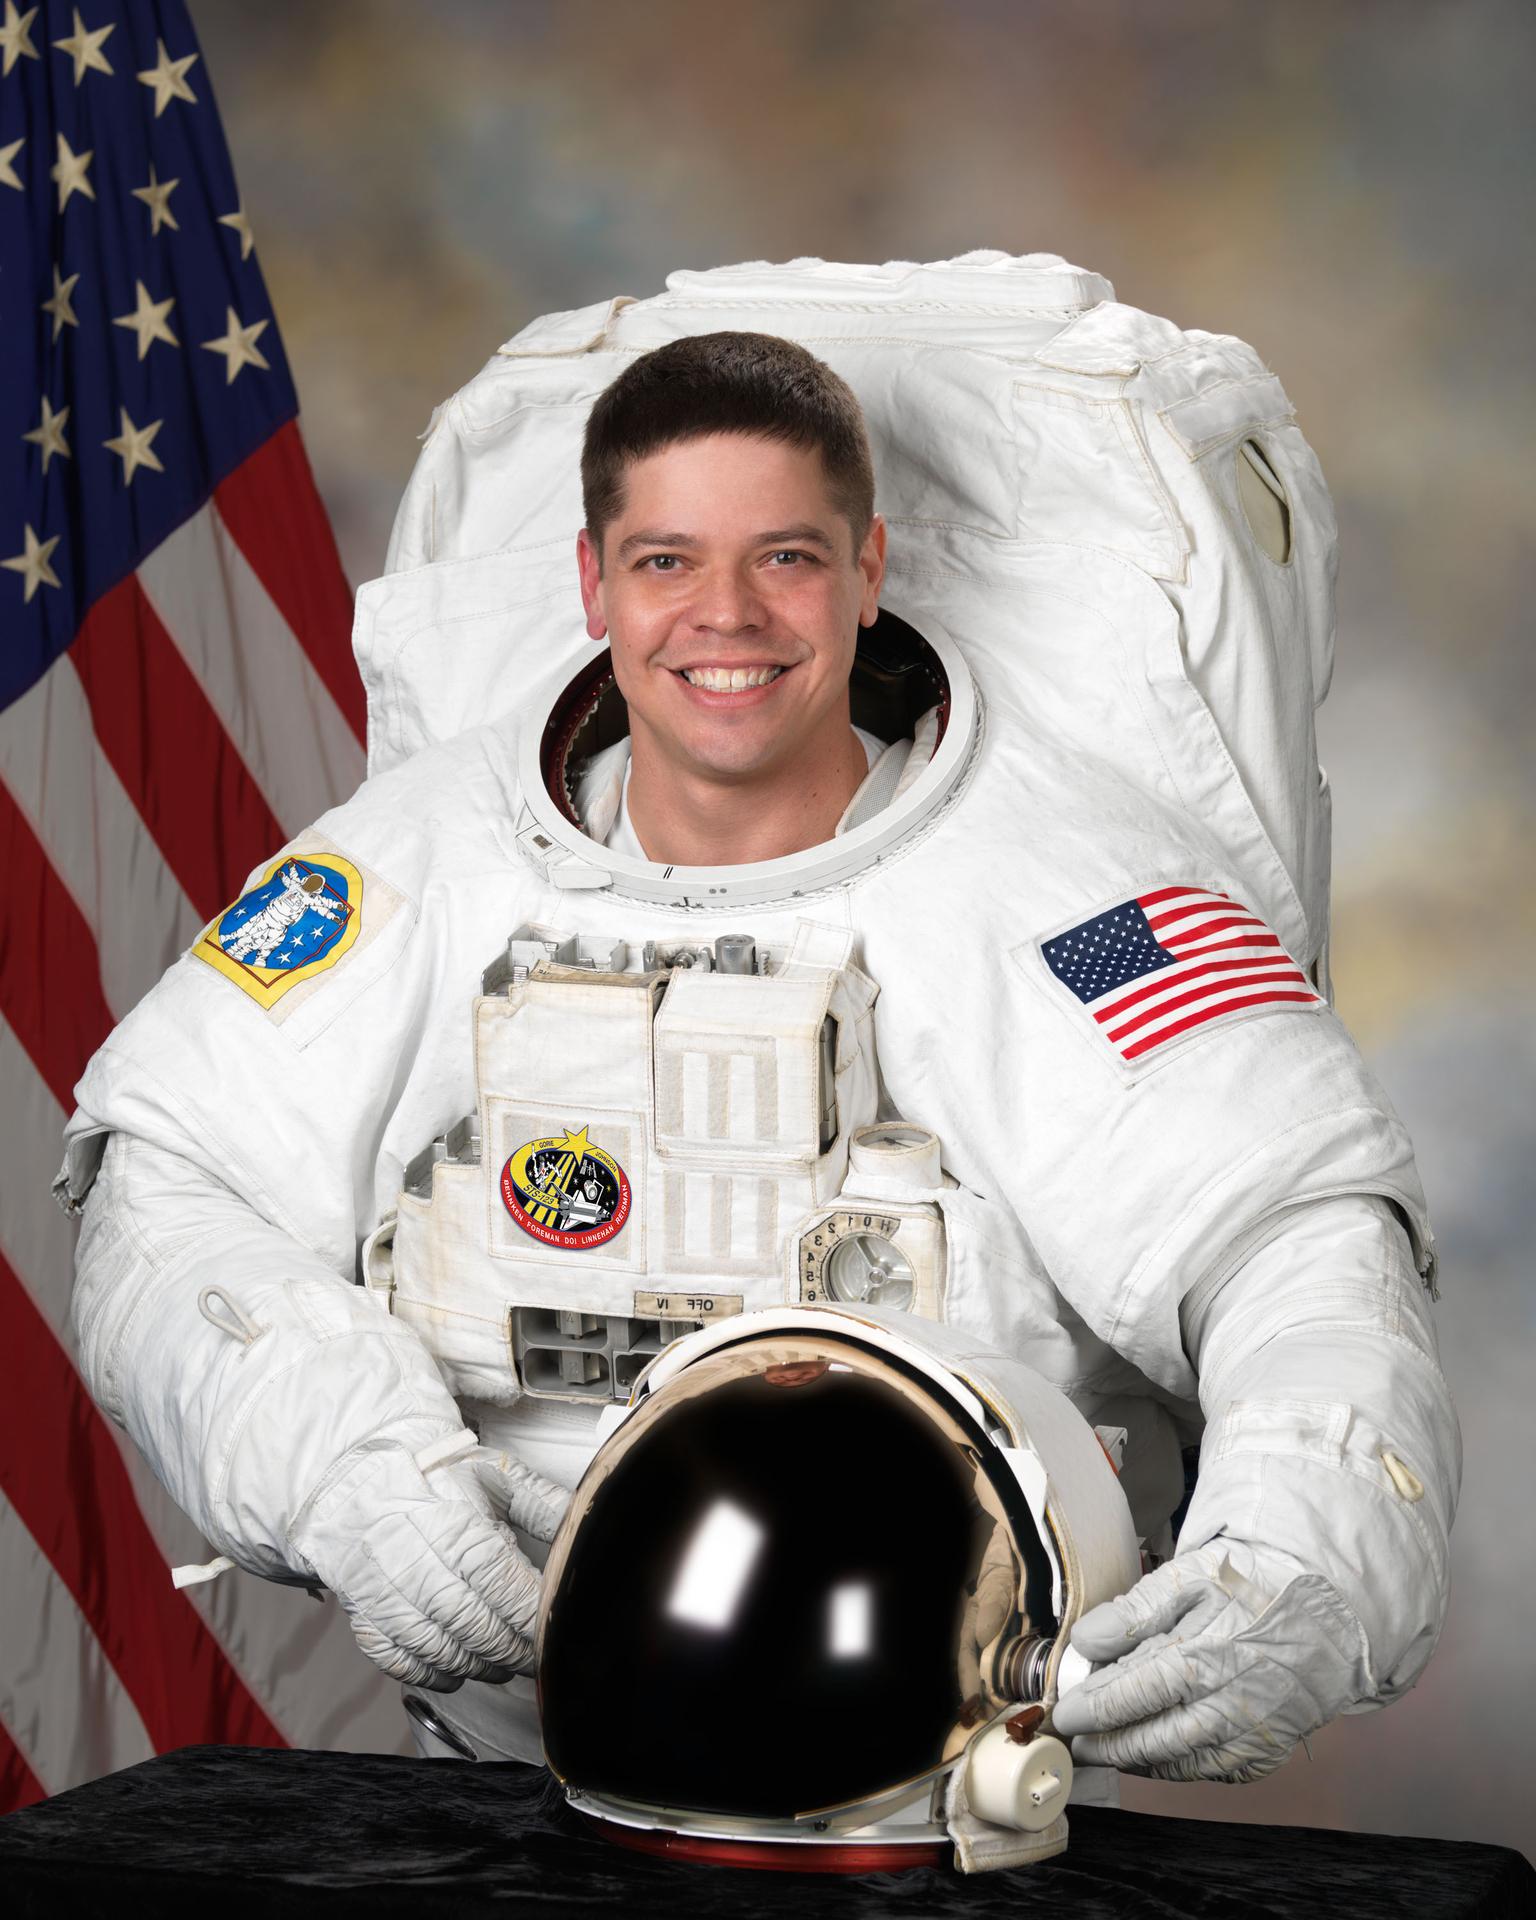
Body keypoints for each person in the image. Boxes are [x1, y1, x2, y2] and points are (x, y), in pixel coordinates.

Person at [61, 324, 1460, 1792]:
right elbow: (160, 1189)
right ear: (593, 584)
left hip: (952, 1796)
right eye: (666, 561)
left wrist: (1305, 1546)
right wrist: (342, 1473)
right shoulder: (421, 864)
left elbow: (1304, 1245)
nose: (723, 615)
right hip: (506, 1781)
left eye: (784, 558)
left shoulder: (1079, 901)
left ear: (868, 571)